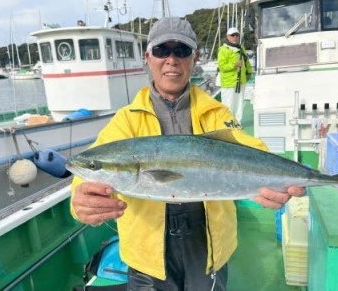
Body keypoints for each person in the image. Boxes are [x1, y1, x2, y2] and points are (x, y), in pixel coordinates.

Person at [71, 17, 305, 291]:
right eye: (162, 51)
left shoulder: (216, 112)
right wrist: (80, 197)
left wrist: (276, 182)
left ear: (194, 58)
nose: (171, 60)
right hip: (148, 253)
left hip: (207, 248)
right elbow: (91, 170)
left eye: (181, 51)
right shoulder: (126, 120)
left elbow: (251, 151)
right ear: (148, 57)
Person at [217, 27, 253, 124]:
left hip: (241, 81)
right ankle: (227, 124)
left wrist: (249, 73)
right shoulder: (223, 50)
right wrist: (234, 65)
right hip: (229, 82)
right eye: (232, 35)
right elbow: (222, 66)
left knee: (239, 104)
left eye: (237, 35)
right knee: (228, 104)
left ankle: (238, 123)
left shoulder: (241, 48)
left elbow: (246, 62)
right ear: (227, 37)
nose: (235, 37)